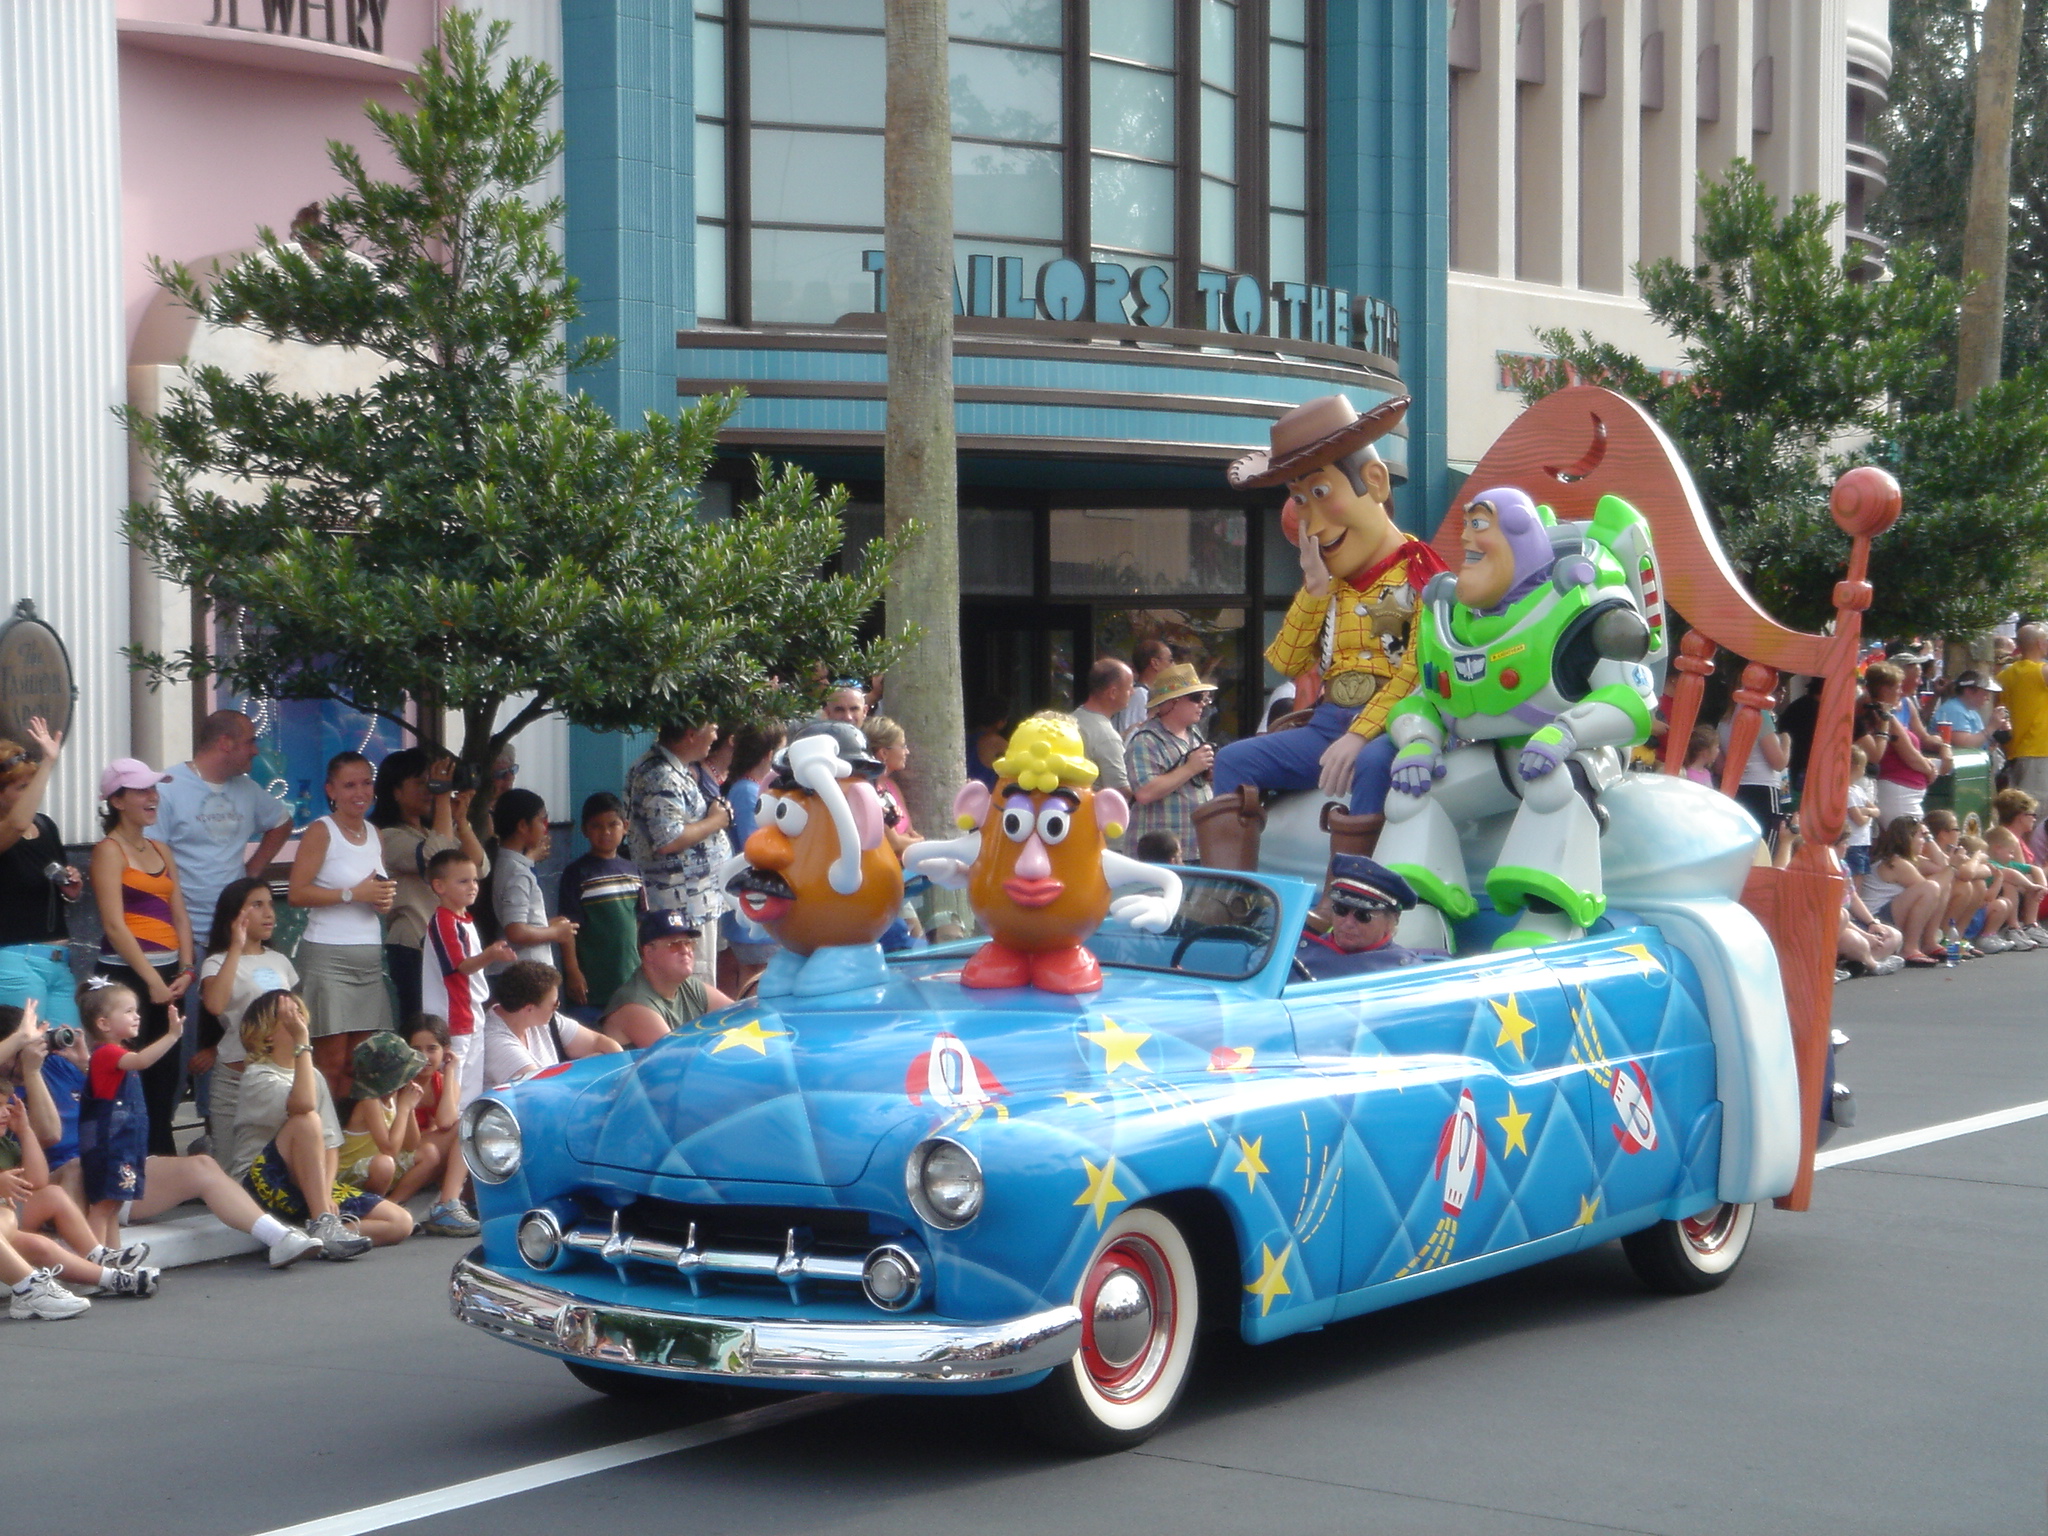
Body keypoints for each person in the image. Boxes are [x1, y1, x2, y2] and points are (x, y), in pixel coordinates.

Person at [1207, 395, 1449, 870]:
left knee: (1374, 761)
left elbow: (1417, 672)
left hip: (1398, 725)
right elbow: (1287, 662)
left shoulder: (1424, 576)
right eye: (1300, 501)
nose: (1312, 524)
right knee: (1234, 761)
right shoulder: (1332, 586)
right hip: (1327, 724)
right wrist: (1314, 588)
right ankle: (1232, 888)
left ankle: (1353, 889)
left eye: (1320, 492)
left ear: (1374, 481)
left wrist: (1360, 735)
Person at [75, 979, 323, 1267]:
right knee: (104, 1205)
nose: (137, 1016)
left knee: (112, 1203)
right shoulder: (109, 1054)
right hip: (110, 1150)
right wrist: (172, 1035)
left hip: (125, 1149)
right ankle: (95, 1260)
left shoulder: (109, 1057)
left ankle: (114, 1260)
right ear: (104, 1023)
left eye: (136, 1010)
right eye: (129, 1011)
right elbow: (142, 1060)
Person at [231, 990, 407, 1259]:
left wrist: (325, 1193)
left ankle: (314, 1237)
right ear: (266, 1034)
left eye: (300, 1013)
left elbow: (330, 1144)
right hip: (260, 1184)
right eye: (289, 1016)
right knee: (307, 1120)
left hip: (309, 1185)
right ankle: (322, 1223)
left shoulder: (312, 1075)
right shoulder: (257, 1075)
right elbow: (303, 1105)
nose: (299, 1021)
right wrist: (302, 1041)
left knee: (400, 1222)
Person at [90, 758, 196, 1156]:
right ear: (117, 801)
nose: (153, 797)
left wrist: (187, 968)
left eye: (154, 789)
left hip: (169, 973)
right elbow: (114, 925)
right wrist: (152, 980)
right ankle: (125, 1161)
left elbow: (179, 914)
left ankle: (162, 1158)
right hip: (127, 976)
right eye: (141, 791)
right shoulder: (108, 850)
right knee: (128, 1072)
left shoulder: (161, 849)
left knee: (166, 1074)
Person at [287, 752, 398, 1099]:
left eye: (366, 783)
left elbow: (375, 891)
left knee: (360, 1064)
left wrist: (381, 900)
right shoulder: (322, 831)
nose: (360, 792)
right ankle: (323, 1129)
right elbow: (296, 893)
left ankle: (352, 1131)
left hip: (368, 959)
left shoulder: (375, 833)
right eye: (349, 785)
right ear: (331, 790)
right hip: (328, 957)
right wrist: (352, 894)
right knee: (330, 1062)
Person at [147, 711, 292, 960]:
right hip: (184, 933)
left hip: (235, 930)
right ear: (225, 743)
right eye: (250, 742)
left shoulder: (247, 788)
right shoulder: (168, 787)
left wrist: (251, 873)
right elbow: (149, 856)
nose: (255, 751)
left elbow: (282, 823)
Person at [370, 747, 489, 1023]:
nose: (429, 791)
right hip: (414, 943)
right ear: (395, 792)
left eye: (431, 783)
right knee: (424, 1025)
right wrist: (443, 798)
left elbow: (479, 868)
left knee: (451, 1021)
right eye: (420, 783)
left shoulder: (431, 831)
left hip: (448, 942)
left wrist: (461, 820)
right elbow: (435, 858)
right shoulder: (386, 836)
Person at [195, 877, 299, 1157]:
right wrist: (236, 946)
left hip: (277, 1074)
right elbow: (215, 1004)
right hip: (234, 1077)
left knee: (277, 1160)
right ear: (234, 914)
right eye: (257, 905)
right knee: (230, 1163)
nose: (269, 913)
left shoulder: (280, 961)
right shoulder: (216, 962)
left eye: (270, 904)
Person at [625, 721, 732, 978]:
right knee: (692, 983)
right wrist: (716, 821)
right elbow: (668, 840)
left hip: (694, 902)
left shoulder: (674, 768)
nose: (716, 734)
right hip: (681, 907)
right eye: (711, 728)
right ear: (691, 734)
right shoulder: (660, 774)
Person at [0, 718, 86, 1034]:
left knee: (69, 1048)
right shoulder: (8, 830)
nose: (33, 793)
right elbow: (17, 824)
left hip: (58, 957)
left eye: (32, 783)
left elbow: (55, 884)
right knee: (26, 1048)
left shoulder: (46, 825)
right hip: (15, 958)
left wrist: (70, 888)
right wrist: (49, 761)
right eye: (22, 787)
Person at [461, 961, 622, 1107]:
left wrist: (623, 1073)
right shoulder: (496, 1041)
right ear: (529, 1008)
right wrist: (590, 1064)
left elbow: (600, 1042)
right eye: (554, 1004)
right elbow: (543, 1089)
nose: (557, 1007)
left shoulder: (544, 1018)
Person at [421, 849, 518, 1089]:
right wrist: (491, 954)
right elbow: (461, 967)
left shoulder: (462, 920)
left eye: (474, 880)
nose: (473, 886)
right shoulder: (444, 921)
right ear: (439, 886)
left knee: (471, 1083)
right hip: (453, 1016)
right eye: (463, 881)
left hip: (471, 1013)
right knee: (454, 1083)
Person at [557, 793, 642, 1021]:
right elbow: (568, 929)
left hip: (629, 975)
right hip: (591, 981)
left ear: (625, 826)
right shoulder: (576, 873)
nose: (605, 832)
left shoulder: (633, 871)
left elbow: (640, 922)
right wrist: (573, 971)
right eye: (596, 826)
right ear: (584, 830)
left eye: (613, 824)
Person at [335, 1031, 445, 1205]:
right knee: (384, 1163)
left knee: (429, 1153)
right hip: (350, 1175)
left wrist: (409, 1109)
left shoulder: (393, 1097)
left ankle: (393, 1202)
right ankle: (372, 1207)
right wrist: (404, 1109)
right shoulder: (369, 1101)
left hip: (380, 1167)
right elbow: (389, 1150)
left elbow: (411, 1145)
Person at [602, 909, 735, 1049]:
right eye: (675, 945)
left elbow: (739, 1013)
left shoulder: (688, 985)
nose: (686, 950)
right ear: (649, 952)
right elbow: (676, 1053)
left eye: (688, 943)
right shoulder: (634, 1004)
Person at [1123, 664, 1215, 855]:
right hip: (1159, 855)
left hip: (1194, 848)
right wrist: (1190, 768)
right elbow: (1144, 793)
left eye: (1205, 698)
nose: (1202, 704)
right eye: (1196, 697)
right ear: (1173, 702)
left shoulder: (1194, 734)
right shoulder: (1146, 740)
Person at [402, 1014, 478, 1237]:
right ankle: (447, 1204)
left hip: (429, 1153)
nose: (424, 1057)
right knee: (464, 1127)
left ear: (445, 1051)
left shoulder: (444, 1082)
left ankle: (451, 1201)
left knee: (467, 1125)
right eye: (416, 1049)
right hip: (407, 1152)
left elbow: (445, 1121)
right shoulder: (402, 1082)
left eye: (432, 1049)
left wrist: (450, 1070)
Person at [1295, 856, 1427, 979]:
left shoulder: (1405, 973)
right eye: (1341, 910)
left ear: (1392, 920)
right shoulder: (1298, 952)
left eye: (1362, 915)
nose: (1348, 923)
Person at [1856, 662, 1951, 826]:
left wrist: (1943, 747)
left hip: (1900, 792)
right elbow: (1909, 755)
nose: (1901, 692)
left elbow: (1921, 741)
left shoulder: (1882, 712)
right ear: (1885, 689)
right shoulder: (1881, 715)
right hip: (1898, 793)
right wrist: (1930, 770)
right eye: (1898, 687)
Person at [490, 788, 574, 973]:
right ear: (522, 826)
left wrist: (545, 925)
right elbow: (516, 931)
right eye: (541, 820)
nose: (545, 828)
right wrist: (555, 933)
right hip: (525, 971)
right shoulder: (517, 873)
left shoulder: (507, 863)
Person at [1859, 817, 1947, 967]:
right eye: (1921, 836)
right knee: (1931, 887)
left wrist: (1930, 838)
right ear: (1908, 838)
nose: (1924, 841)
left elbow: (1942, 866)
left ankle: (1929, 942)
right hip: (1876, 919)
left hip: (1888, 914)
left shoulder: (1909, 859)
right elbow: (1931, 891)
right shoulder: (1896, 863)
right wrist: (1953, 868)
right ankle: (1909, 948)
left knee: (1942, 883)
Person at [1716, 681, 1792, 850]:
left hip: (1737, 790)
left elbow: (1720, 766)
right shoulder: (1759, 714)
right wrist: (1786, 742)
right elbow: (1778, 763)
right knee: (1765, 849)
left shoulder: (1724, 721)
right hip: (1763, 789)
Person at [1986, 789, 2048, 947]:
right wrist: (2038, 885)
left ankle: (2029, 925)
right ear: (2021, 816)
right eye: (2032, 814)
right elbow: (2018, 874)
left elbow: (2029, 869)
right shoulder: (2009, 839)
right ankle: (2024, 925)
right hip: (2013, 892)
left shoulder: (2014, 837)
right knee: (2015, 882)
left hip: (2026, 891)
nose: (2034, 819)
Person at [1074, 659, 1135, 805]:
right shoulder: (1107, 737)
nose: (1133, 692)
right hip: (1091, 813)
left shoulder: (1072, 718)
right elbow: (1121, 789)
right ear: (1113, 693)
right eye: (1129, 688)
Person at [1932, 670, 2007, 750]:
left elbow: (1980, 744)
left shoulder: (1971, 712)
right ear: (1969, 691)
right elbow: (1964, 745)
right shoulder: (1954, 710)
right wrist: (1992, 726)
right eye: (1985, 693)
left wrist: (1998, 731)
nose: (1988, 698)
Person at [1114, 639, 1173, 735]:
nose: (1173, 666)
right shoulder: (1139, 695)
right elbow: (1130, 735)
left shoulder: (1144, 693)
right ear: (1155, 663)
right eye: (1170, 660)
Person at [1843, 746, 1879, 878]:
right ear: (1857, 767)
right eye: (1864, 767)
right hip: (1853, 843)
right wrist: (1869, 814)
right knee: (1854, 878)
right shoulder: (1847, 792)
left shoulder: (1858, 790)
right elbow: (1859, 820)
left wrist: (1866, 811)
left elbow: (1877, 811)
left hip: (1863, 842)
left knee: (1861, 876)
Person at [966, 697, 1010, 788]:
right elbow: (1019, 761)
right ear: (1000, 723)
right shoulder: (995, 741)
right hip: (984, 793)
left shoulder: (966, 738)